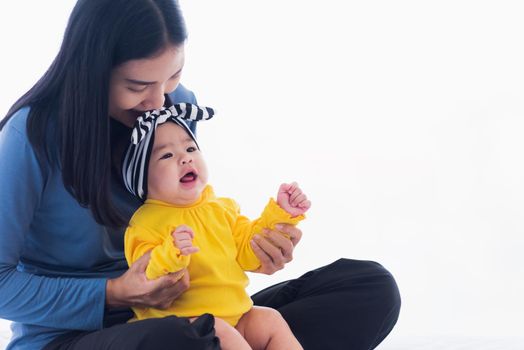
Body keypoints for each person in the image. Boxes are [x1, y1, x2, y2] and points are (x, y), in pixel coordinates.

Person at [0, 0, 401, 349]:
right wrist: (115, 293)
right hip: (80, 337)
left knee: (368, 286)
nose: (158, 101)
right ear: (89, 72)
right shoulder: (29, 136)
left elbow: (190, 217)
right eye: (138, 85)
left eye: (172, 76)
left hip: (198, 316)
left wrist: (256, 247)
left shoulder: (175, 105)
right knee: (180, 340)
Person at [122, 104, 309, 349]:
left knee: (269, 319)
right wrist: (172, 252)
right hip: (184, 328)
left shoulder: (222, 208)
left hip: (235, 317)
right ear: (142, 177)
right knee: (218, 329)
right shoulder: (145, 222)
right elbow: (146, 276)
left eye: (190, 148)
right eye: (166, 155)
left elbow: (249, 251)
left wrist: (281, 215)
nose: (185, 157)